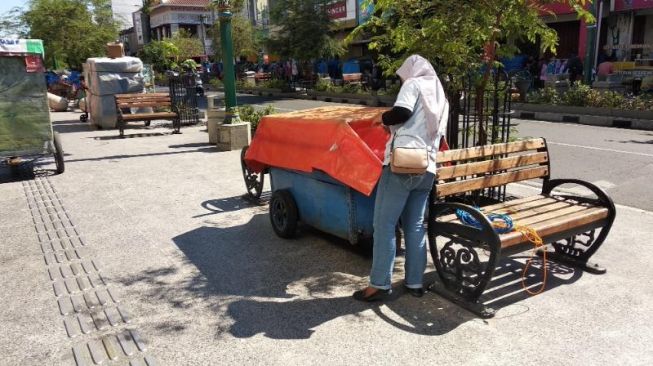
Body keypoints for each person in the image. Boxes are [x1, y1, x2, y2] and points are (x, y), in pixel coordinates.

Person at [353, 55, 449, 302]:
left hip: (402, 165)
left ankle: (379, 284)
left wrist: (382, 119)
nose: (402, 78)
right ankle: (415, 281)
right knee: (415, 226)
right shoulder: (441, 96)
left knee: (384, 225)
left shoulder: (413, 85)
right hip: (427, 168)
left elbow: (402, 112)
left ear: (412, 70)